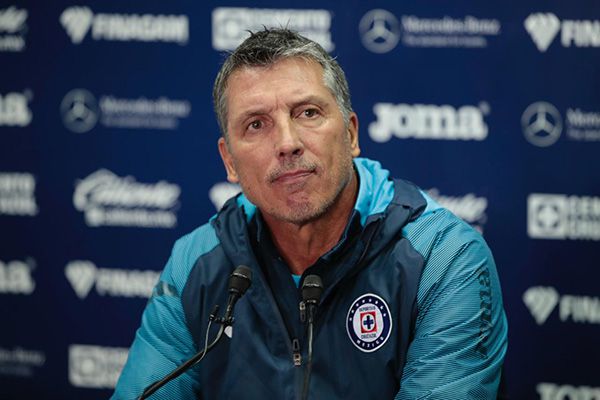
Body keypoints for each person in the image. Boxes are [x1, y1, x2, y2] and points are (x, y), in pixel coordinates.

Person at [112, 28, 508, 399]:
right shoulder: (195, 262)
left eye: (308, 113)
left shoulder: (444, 259)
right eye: (256, 124)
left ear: (351, 134)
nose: (287, 143)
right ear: (229, 161)